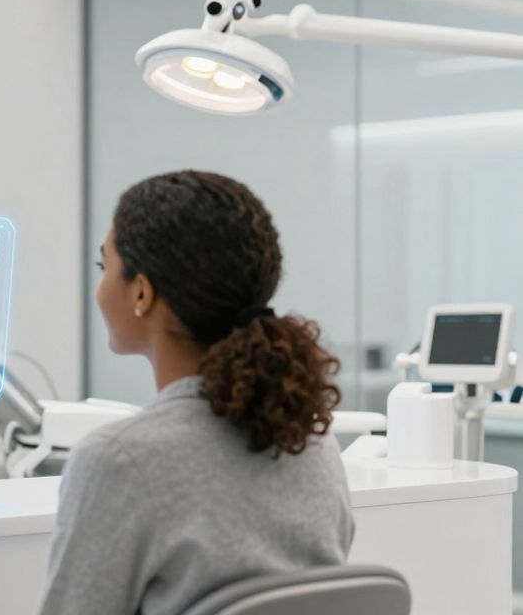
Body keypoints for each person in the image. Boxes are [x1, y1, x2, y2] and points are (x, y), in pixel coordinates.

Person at [40, 170, 353, 615]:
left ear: (142, 293)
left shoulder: (119, 460)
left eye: (104, 266)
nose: (100, 285)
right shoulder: (313, 443)